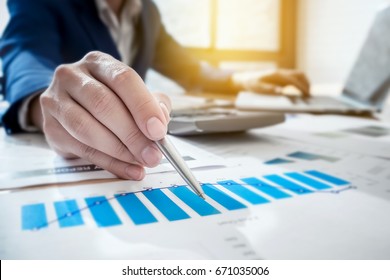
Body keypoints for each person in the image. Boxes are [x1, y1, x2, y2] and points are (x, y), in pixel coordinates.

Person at [0, 0, 310, 180]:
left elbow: (187, 67)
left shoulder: (147, 11)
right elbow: (24, 55)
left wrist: (245, 79)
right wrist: (48, 104)